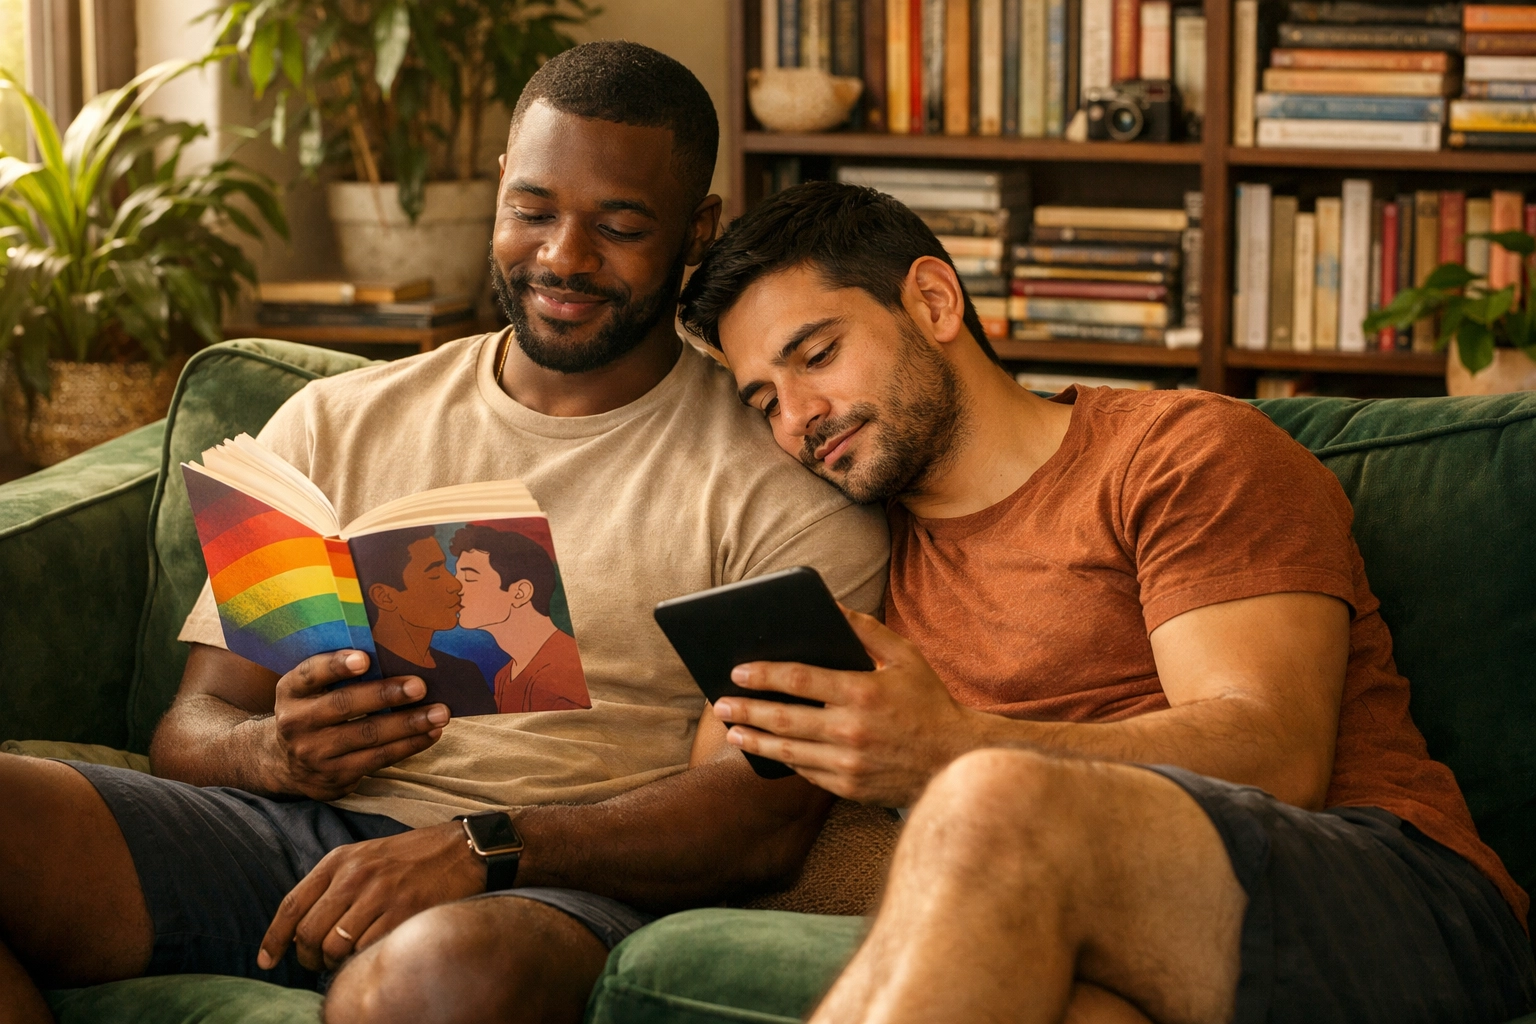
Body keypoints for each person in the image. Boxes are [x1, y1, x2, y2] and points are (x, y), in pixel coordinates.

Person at [0, 46, 888, 1024]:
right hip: (285, 837)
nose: (564, 257)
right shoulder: (333, 423)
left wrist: (482, 844)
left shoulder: (777, 476)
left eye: (622, 226)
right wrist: (274, 753)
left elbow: (762, 817)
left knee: (437, 977)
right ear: (501, 190)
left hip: (551, 881)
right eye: (535, 210)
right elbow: (193, 726)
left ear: (696, 231)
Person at [675, 180, 1536, 1024]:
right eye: (764, 403)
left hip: (1395, 899)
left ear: (934, 301)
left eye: (817, 356)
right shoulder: (865, 555)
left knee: (993, 799)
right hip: (1137, 935)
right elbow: (730, 786)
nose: (798, 420)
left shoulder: (1180, 454)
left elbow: (1276, 756)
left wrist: (951, 747)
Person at [353, 526, 499, 717]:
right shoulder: (362, 675)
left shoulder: (465, 673)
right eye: (434, 574)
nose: (455, 585)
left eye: (445, 568)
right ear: (385, 597)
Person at [449, 522, 590, 713]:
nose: (455, 588)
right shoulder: (505, 676)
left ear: (520, 593)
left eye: (470, 578)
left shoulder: (562, 672)